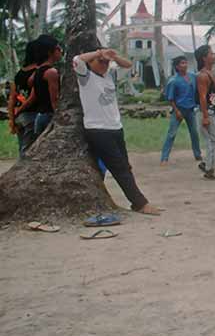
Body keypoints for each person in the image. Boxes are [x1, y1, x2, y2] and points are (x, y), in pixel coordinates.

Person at [74, 46, 161, 215]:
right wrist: (99, 53)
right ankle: (140, 202)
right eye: (101, 62)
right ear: (91, 62)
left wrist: (113, 56)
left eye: (107, 63)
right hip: (98, 129)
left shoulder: (109, 76)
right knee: (119, 167)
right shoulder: (85, 77)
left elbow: (128, 65)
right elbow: (77, 59)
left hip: (115, 127)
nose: (104, 65)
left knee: (125, 166)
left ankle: (134, 203)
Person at [160, 55, 202, 166]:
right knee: (172, 134)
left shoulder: (192, 76)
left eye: (186, 63)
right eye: (182, 63)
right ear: (177, 67)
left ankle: (197, 154)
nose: (185, 65)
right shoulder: (173, 81)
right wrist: (177, 111)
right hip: (179, 109)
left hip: (191, 109)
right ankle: (164, 157)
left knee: (194, 133)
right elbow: (170, 98)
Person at [195, 45, 215, 180]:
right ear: (204, 58)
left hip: (214, 111)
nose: (214, 55)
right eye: (211, 53)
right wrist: (205, 116)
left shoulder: (212, 74)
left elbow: (211, 95)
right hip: (206, 112)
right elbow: (202, 97)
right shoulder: (203, 76)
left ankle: (207, 163)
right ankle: (209, 169)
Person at [23, 35, 62, 140]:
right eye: (58, 48)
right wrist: (59, 120)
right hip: (49, 116)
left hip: (40, 117)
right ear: (50, 52)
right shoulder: (51, 72)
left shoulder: (37, 72)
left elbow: (32, 92)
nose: (61, 51)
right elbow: (55, 100)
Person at [8, 39, 39, 158]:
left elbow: (12, 98)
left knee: (22, 147)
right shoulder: (39, 72)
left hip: (20, 117)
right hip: (32, 116)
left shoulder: (19, 74)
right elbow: (33, 97)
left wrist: (12, 119)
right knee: (28, 151)